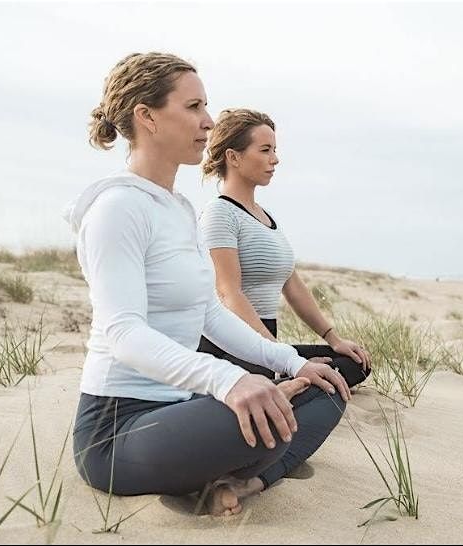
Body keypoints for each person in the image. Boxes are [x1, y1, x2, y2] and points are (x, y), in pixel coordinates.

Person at [64, 52, 350, 517]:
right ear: (147, 116)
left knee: (322, 387)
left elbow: (210, 313)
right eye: (194, 107)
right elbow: (123, 334)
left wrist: (292, 363)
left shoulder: (177, 210)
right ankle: (228, 474)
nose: (209, 121)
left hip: (182, 405)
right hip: (116, 430)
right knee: (261, 412)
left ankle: (240, 482)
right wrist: (229, 378)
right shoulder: (116, 209)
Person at [197, 108, 372, 390]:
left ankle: (288, 381)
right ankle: (280, 383)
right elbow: (228, 292)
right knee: (268, 380)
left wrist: (333, 339)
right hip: (232, 345)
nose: (275, 159)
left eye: (274, 150)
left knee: (354, 363)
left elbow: (293, 286)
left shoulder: (266, 218)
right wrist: (279, 354)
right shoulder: (220, 214)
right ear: (233, 157)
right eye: (265, 150)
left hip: (268, 340)